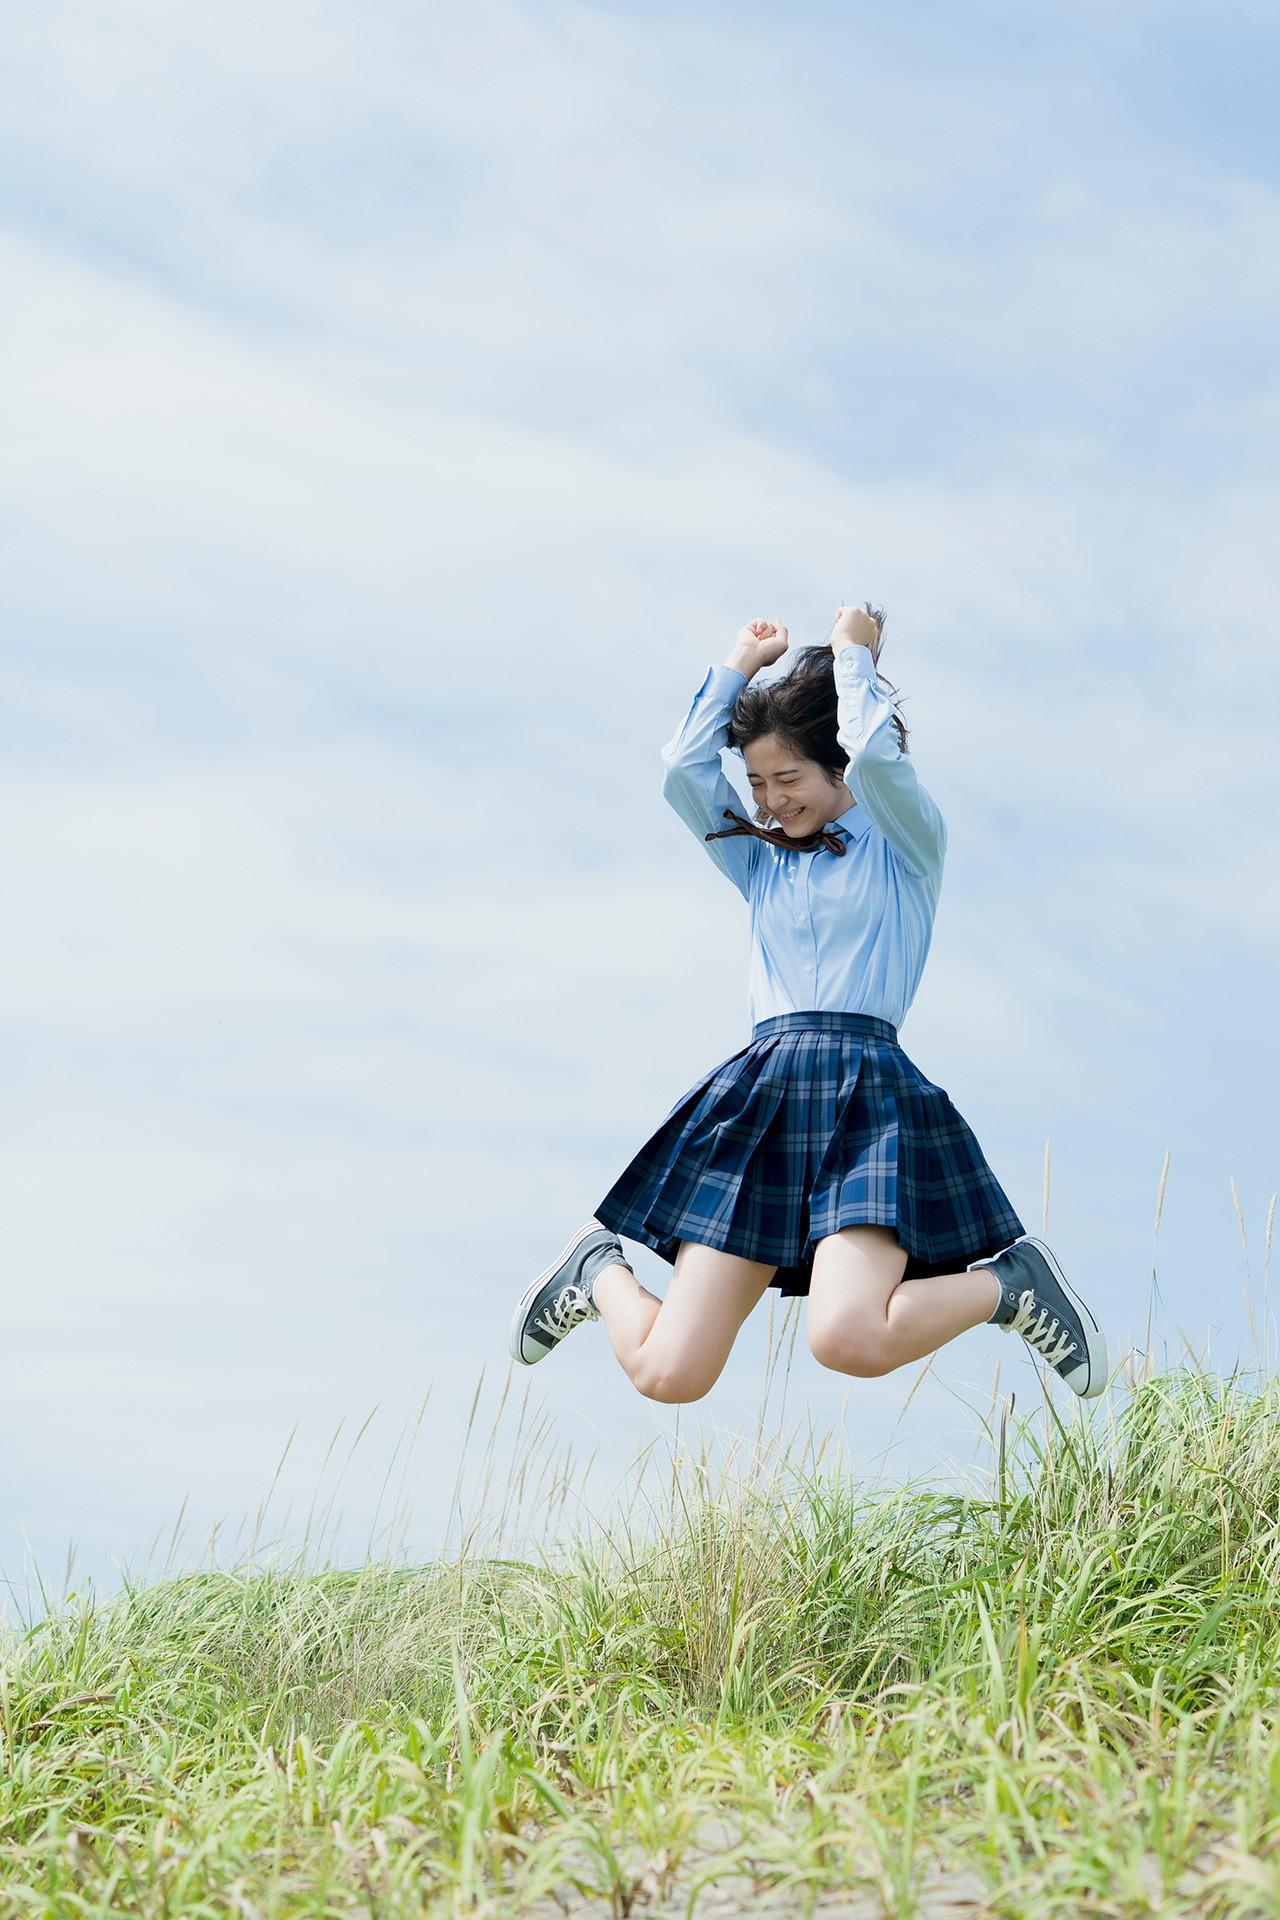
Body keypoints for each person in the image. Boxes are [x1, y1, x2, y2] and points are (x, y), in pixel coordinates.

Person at [509, 604, 1108, 1403]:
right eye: (756, 782)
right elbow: (683, 772)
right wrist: (737, 666)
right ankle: (596, 1269)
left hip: (867, 1098)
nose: (768, 801)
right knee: (668, 1372)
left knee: (848, 1336)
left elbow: (880, 763)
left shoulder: (905, 845)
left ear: (835, 772)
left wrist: (855, 661)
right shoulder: (762, 862)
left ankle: (1011, 1287)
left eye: (787, 780)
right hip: (764, 1099)